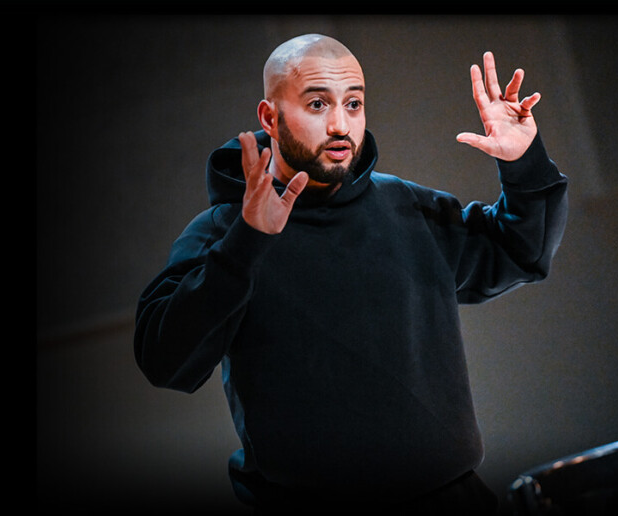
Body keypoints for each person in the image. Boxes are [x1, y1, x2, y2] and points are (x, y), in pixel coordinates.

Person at [132, 34, 567, 513]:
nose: (340, 124)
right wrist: (246, 242)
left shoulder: (406, 207)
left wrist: (524, 163)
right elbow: (165, 359)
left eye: (353, 104)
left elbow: (520, 252)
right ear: (270, 118)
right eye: (317, 104)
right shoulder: (224, 230)